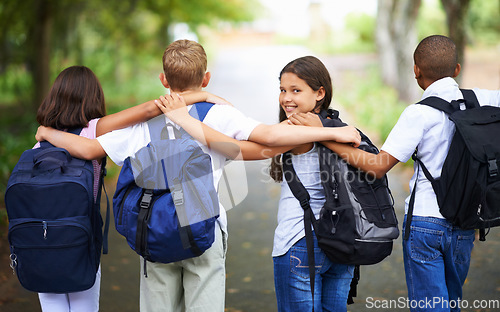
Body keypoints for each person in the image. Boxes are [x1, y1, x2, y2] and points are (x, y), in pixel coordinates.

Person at [36, 40, 361, 312]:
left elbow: (89, 148)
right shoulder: (220, 113)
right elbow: (269, 136)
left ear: (164, 79)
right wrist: (333, 132)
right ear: (205, 79)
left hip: (152, 229)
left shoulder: (140, 124)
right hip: (204, 227)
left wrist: (47, 132)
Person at [288, 35, 500, 311]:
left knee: (430, 306)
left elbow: (377, 166)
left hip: (426, 222)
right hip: (469, 219)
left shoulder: (418, 114)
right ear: (457, 69)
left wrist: (324, 135)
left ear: (416, 70)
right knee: (451, 302)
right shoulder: (485, 99)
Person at [154, 55, 356, 312]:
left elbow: (234, 148)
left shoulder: (298, 130)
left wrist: (185, 119)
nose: (286, 98)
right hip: (343, 241)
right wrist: (206, 98)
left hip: (300, 241)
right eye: (283, 90)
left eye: (296, 90)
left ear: (320, 93)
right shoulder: (339, 125)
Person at [33, 65, 170, 312]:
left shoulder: (40, 144)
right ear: (93, 97)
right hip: (81, 237)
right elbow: (152, 108)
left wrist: (45, 131)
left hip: (39, 240)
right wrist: (203, 96)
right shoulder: (94, 129)